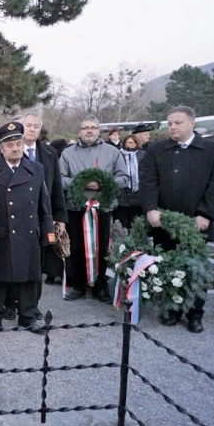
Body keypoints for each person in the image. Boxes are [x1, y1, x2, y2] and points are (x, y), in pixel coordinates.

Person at [140, 106, 214, 333]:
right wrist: (151, 209)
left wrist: (206, 213)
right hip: (163, 221)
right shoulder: (157, 149)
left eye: (178, 123)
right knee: (167, 266)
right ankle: (171, 309)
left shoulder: (211, 150)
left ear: (191, 123)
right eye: (170, 123)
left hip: (198, 222)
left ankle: (195, 314)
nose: (173, 127)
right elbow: (148, 181)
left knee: (196, 269)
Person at [0, 122, 55, 334]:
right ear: (1, 148)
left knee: (30, 277)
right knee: (0, 278)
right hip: (2, 234)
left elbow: (43, 204)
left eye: (18, 144)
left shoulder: (36, 169)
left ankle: (27, 318)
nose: (15, 148)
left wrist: (48, 233)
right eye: (10, 145)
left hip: (29, 233)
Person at [60, 115, 129, 302]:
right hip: (77, 208)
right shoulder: (67, 153)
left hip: (102, 208)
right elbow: (61, 178)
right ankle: (79, 286)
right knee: (76, 248)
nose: (89, 131)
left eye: (93, 127)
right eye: (85, 128)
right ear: (79, 131)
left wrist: (103, 184)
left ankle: (100, 287)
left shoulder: (112, 152)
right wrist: (79, 183)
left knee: (101, 248)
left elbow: (123, 177)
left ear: (99, 131)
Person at [112, 134, 144, 230]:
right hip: (122, 191)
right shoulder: (119, 154)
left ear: (136, 143)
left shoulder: (142, 154)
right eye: (126, 142)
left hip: (137, 191)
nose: (128, 144)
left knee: (135, 221)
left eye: (131, 142)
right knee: (121, 221)